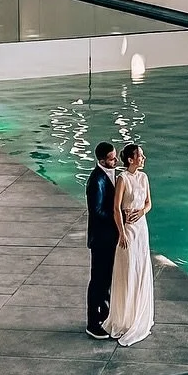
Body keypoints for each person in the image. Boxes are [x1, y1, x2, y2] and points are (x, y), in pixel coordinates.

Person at [105, 144, 154, 346]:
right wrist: (122, 232)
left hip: (142, 228)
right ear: (131, 159)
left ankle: (138, 315)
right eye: (140, 155)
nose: (143, 158)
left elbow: (149, 203)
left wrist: (142, 212)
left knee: (141, 268)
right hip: (128, 231)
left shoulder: (144, 178)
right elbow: (116, 208)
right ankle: (125, 318)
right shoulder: (122, 179)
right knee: (128, 270)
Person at [85, 141, 119, 338]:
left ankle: (105, 315)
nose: (115, 161)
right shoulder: (96, 180)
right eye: (112, 159)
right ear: (101, 160)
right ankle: (92, 322)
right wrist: (118, 216)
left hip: (110, 238)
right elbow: (96, 211)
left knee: (106, 279)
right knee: (98, 280)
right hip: (101, 239)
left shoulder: (111, 174)